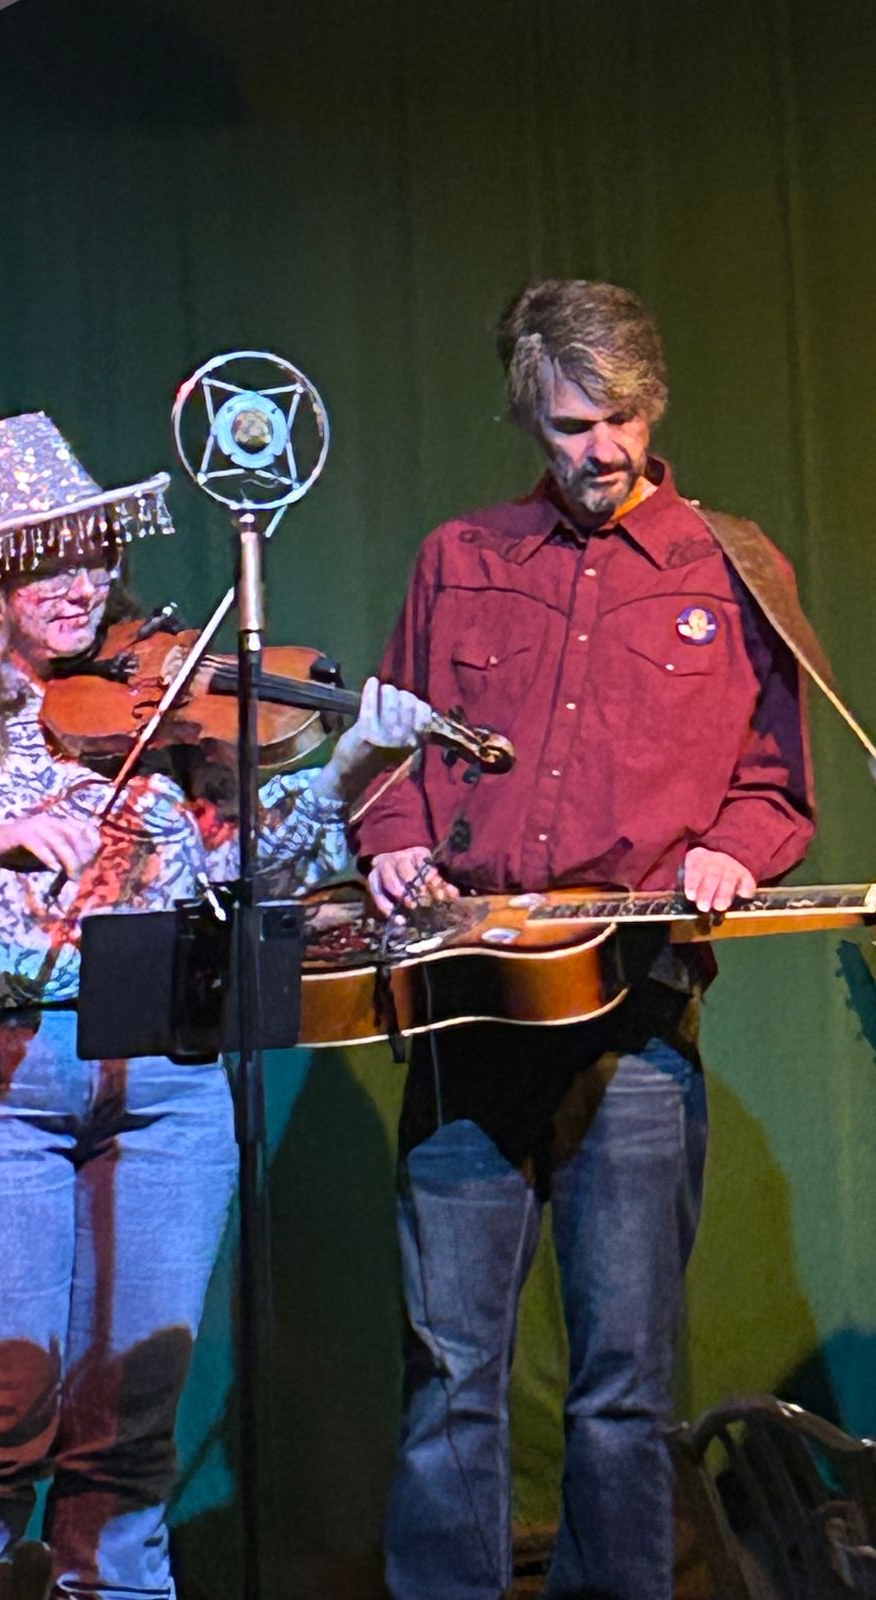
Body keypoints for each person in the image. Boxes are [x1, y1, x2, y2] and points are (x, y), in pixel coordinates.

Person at [0, 411, 434, 1600]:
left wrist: (351, 771)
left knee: (131, 1435)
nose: (84, 584)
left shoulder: (168, 706)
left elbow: (259, 874)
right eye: (50, 562)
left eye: (97, 556)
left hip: (166, 1080)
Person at [352, 281, 814, 1600]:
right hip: (469, 1010)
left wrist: (737, 847)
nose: (600, 450)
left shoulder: (731, 567)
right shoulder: (461, 557)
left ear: (652, 408)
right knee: (452, 1368)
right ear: (528, 420)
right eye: (570, 425)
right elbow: (384, 754)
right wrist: (390, 838)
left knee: (625, 1384)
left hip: (638, 1019)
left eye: (620, 420)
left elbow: (778, 786)